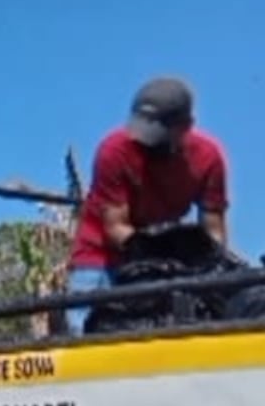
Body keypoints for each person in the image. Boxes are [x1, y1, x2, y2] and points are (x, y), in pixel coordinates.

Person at [67, 77, 230, 321]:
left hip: (165, 264)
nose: (144, 140)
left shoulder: (209, 158)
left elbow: (214, 228)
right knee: (86, 337)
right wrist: (155, 252)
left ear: (185, 126)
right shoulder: (114, 151)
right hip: (102, 257)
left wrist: (208, 264)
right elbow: (115, 227)